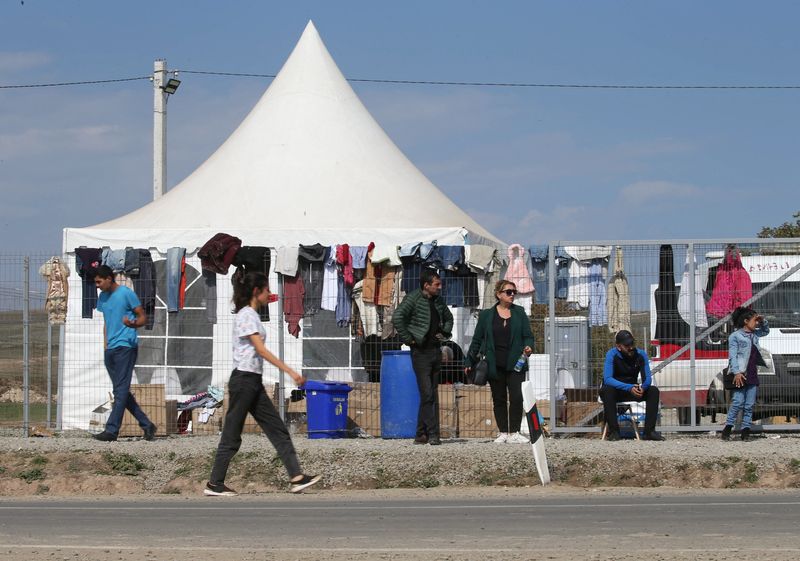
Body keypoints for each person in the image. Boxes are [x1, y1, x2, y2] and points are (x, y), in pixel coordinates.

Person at [205, 272, 320, 496]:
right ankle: (214, 483)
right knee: (232, 434)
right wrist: (290, 372)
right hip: (243, 381)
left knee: (277, 428)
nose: (269, 294)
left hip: (252, 381)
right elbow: (260, 349)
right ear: (256, 292)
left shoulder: (253, 315)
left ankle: (296, 477)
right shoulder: (246, 315)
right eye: (266, 290)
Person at [92, 265, 157, 442]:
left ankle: (112, 430)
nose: (97, 285)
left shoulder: (126, 293)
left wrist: (133, 324)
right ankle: (147, 424)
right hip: (110, 349)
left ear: (108, 278)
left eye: (99, 281)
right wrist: (105, 346)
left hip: (126, 347)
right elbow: (106, 322)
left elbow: (143, 317)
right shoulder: (103, 297)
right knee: (121, 392)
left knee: (120, 391)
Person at [464, 280, 534, 444]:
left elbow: (528, 336)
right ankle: (503, 432)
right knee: (499, 398)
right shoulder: (487, 315)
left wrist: (529, 346)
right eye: (509, 292)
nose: (512, 295)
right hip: (494, 364)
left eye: (514, 292)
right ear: (498, 294)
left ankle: (514, 431)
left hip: (516, 363)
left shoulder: (520, 313)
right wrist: (469, 361)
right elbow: (477, 340)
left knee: (517, 397)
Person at [392, 268, 453, 446]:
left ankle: (420, 434)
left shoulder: (438, 301)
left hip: (435, 351)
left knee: (430, 394)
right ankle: (433, 433)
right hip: (420, 352)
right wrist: (409, 339)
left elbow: (449, 319)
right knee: (427, 394)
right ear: (426, 285)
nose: (440, 287)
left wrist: (444, 332)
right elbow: (398, 316)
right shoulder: (413, 298)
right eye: (437, 284)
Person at [600, 330, 665, 441]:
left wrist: (642, 388)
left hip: (633, 390)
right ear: (618, 346)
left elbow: (647, 378)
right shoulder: (611, 354)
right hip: (616, 391)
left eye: (632, 344)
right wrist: (629, 387)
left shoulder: (641, 354)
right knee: (607, 390)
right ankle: (614, 432)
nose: (630, 347)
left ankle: (649, 432)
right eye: (627, 345)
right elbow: (608, 379)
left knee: (653, 391)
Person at [721, 307, 770, 442]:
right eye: (754, 320)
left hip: (752, 373)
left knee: (749, 405)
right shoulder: (735, 336)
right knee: (737, 402)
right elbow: (732, 356)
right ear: (746, 321)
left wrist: (763, 320)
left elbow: (765, 331)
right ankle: (727, 429)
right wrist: (736, 372)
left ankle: (745, 432)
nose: (756, 323)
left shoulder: (754, 335)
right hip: (741, 373)